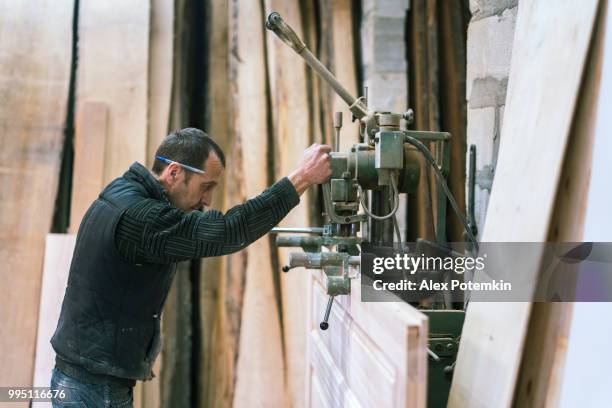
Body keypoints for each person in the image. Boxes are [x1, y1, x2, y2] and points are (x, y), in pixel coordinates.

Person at [49, 127, 332, 407]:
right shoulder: (141, 218)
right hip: (95, 388)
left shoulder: (123, 190)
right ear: (174, 172)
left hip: (86, 378)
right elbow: (224, 232)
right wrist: (302, 178)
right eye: (205, 187)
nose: (207, 200)